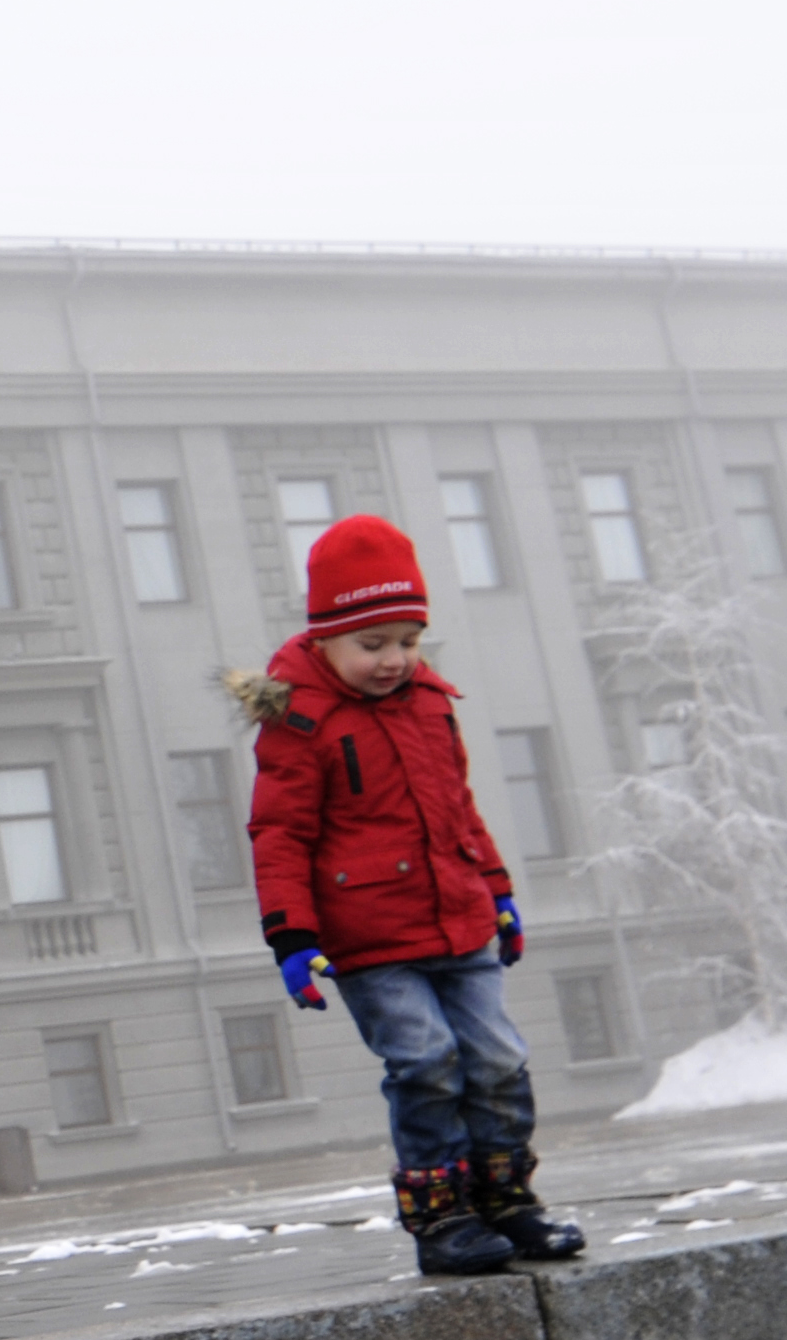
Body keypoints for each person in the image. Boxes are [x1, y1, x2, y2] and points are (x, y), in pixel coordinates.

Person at [226, 513, 584, 1279]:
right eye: (373, 644)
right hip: (371, 939)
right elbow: (279, 832)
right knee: (426, 1059)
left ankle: (506, 1200)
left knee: (496, 1058)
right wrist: (290, 937)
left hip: (460, 919)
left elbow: (458, 808)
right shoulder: (300, 721)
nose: (395, 660)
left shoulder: (429, 700)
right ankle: (441, 1217)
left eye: (408, 640)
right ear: (323, 639)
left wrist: (498, 892)